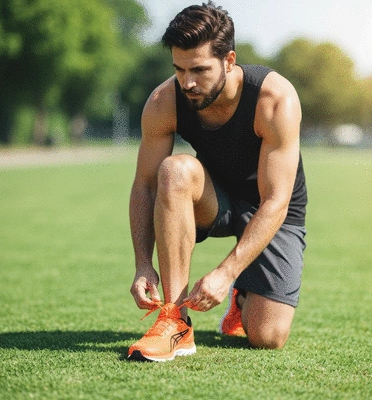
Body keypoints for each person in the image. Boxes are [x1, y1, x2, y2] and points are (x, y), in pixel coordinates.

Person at [128, 1, 307, 362]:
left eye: (199, 70)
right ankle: (175, 321)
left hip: (271, 208)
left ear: (229, 60)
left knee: (268, 336)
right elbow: (146, 185)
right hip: (216, 201)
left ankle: (244, 299)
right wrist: (142, 263)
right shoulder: (165, 101)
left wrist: (226, 274)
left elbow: (276, 200)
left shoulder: (275, 99)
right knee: (174, 171)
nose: (187, 82)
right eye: (178, 69)